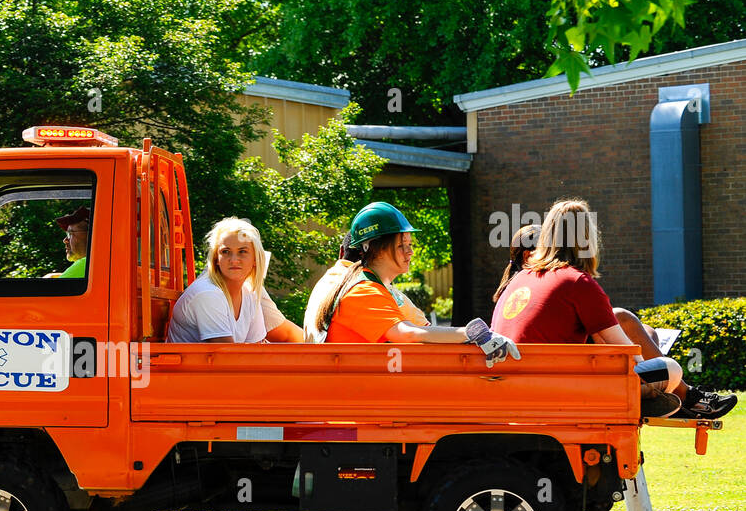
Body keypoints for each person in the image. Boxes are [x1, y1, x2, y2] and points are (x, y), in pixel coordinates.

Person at [491, 198, 736, 419]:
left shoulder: (520, 279)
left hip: (510, 381)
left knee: (628, 324)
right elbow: (629, 357)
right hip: (553, 387)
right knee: (669, 368)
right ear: (587, 239)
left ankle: (682, 399)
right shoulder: (576, 281)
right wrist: (657, 376)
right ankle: (683, 398)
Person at [310, 201, 520, 364]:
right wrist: (471, 333)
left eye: (410, 244)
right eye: (402, 245)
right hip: (361, 404)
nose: (410, 252)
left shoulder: (370, 286)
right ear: (376, 248)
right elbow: (409, 333)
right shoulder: (362, 291)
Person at [305, 232, 429, 341]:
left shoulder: (326, 283)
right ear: (376, 253)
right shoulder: (366, 289)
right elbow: (421, 330)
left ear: (341, 251)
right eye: (400, 246)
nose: (409, 252)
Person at [167, 217, 269, 343]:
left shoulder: (250, 293)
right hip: (192, 363)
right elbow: (225, 357)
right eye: (225, 252)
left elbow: (257, 348)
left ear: (255, 259)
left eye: (242, 251)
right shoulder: (208, 293)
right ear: (216, 259)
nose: (234, 260)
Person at [48, 206, 90, 278]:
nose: (65, 240)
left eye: (70, 233)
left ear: (91, 235)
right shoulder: (100, 265)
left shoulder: (86, 264)